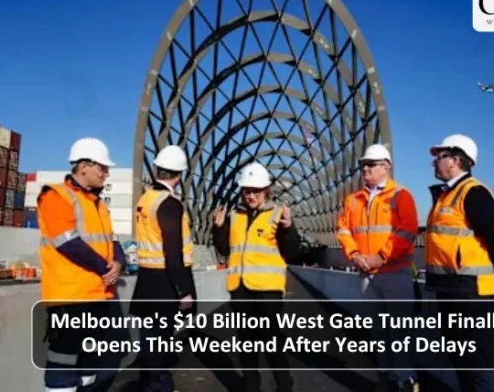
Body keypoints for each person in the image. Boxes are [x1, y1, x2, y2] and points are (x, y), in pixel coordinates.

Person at [424, 134, 494, 392]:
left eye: (439, 157)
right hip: (449, 288)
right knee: (459, 358)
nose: (434, 163)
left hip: (470, 292)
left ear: (455, 160)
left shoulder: (472, 192)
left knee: (474, 363)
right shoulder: (445, 195)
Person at [37, 137, 126, 392]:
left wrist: (118, 264)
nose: (106, 172)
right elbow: (67, 243)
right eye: (102, 167)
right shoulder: (55, 196)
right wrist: (104, 268)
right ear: (83, 166)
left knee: (90, 362)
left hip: (98, 295)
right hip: (70, 297)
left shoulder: (99, 206)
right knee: (63, 361)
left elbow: (114, 243)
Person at [336, 143, 420, 392]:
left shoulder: (401, 195)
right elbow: (343, 230)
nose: (365, 169)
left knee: (400, 331)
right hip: (366, 274)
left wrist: (380, 257)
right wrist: (354, 255)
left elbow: (407, 231)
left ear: (386, 167)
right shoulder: (353, 200)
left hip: (394, 272)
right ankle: (385, 376)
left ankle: (404, 379)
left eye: (370, 165)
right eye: (363, 165)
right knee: (379, 331)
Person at [211, 162, 300, 392]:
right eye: (247, 191)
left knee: (270, 341)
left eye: (256, 192)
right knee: (246, 342)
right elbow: (224, 250)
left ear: (266, 191)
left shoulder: (278, 215)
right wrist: (218, 228)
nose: (250, 196)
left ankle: (285, 384)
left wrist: (289, 228)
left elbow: (291, 251)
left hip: (268, 291)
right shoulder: (234, 216)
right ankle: (251, 386)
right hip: (240, 289)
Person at [130, 144, 196, 392]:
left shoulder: (146, 199)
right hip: (164, 285)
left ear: (157, 169)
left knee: (149, 343)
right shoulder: (169, 203)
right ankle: (161, 388)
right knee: (160, 345)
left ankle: (149, 386)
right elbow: (173, 251)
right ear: (179, 175)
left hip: (146, 280)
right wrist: (183, 290)